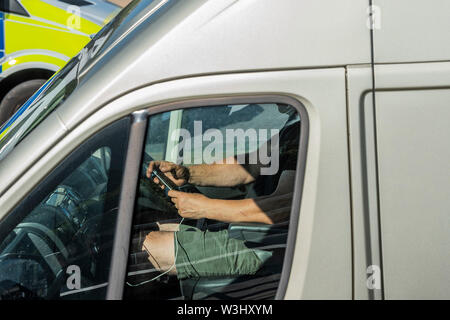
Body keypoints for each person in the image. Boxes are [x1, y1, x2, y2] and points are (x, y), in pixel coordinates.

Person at [143, 116, 300, 279]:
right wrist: (188, 174)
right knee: (154, 228)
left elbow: (281, 208)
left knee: (146, 246)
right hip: (249, 230)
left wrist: (204, 207)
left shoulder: (309, 127)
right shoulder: (295, 125)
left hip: (268, 245)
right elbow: (249, 166)